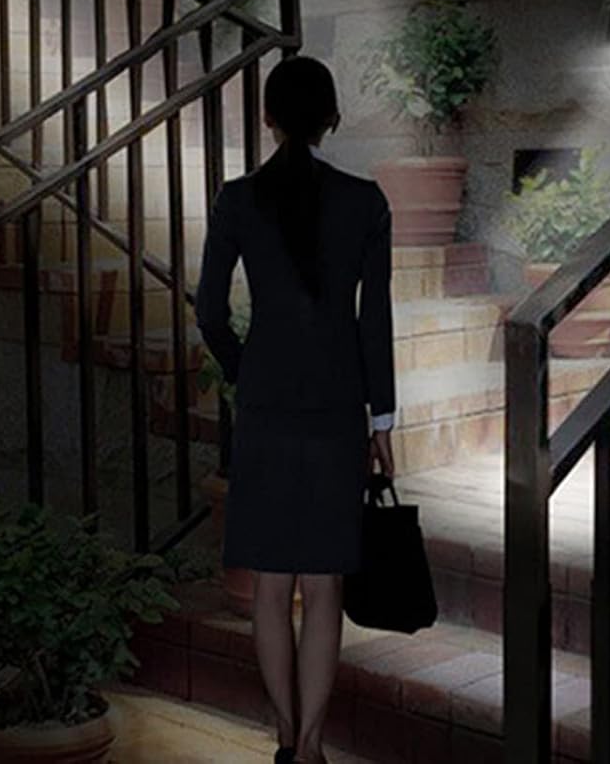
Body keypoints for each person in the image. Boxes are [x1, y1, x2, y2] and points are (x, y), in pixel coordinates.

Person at [194, 54, 396, 764]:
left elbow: (210, 311)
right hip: (339, 405)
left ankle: (285, 737)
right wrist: (382, 420)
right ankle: (312, 747)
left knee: (272, 584)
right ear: (332, 117)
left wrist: (248, 369)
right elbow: (375, 323)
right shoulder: (366, 202)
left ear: (269, 118)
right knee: (325, 581)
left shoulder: (236, 199)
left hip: (268, 404)